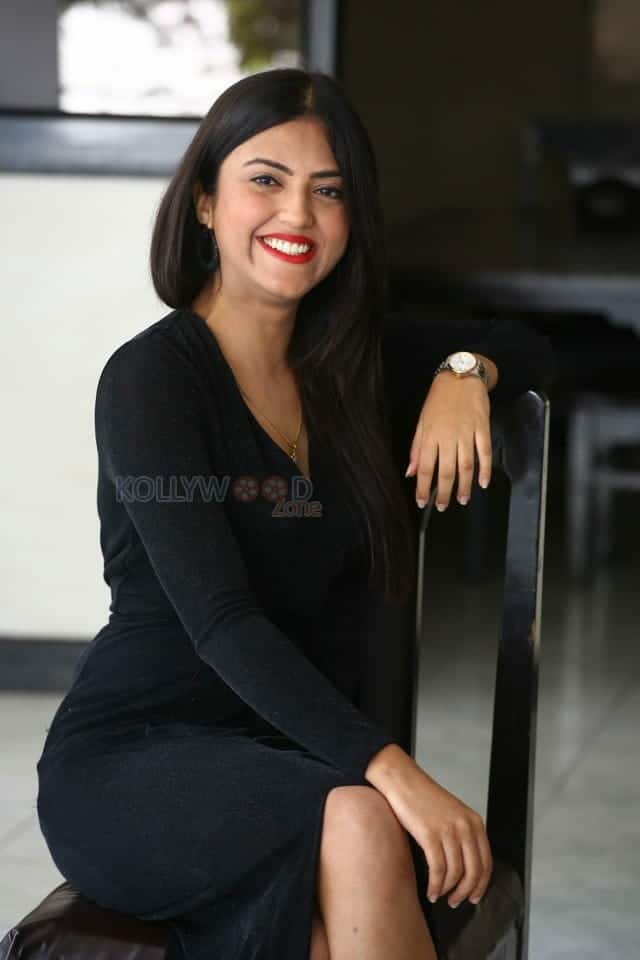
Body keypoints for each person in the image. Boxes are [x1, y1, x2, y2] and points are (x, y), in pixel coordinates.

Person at [35, 68, 554, 960]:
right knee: (360, 817)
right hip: (136, 757)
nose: (298, 215)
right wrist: (395, 772)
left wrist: (463, 372)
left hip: (293, 753)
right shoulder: (152, 380)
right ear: (205, 202)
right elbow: (222, 622)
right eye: (266, 180)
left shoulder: (351, 366)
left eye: (329, 191)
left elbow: (533, 346)